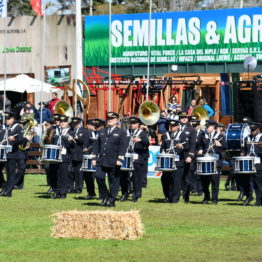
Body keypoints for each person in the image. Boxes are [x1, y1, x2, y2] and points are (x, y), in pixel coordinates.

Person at [92, 112, 127, 207]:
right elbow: (96, 145)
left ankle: (111, 200)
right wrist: (94, 157)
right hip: (102, 160)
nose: (109, 120)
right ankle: (105, 196)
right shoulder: (102, 131)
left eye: (112, 118)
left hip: (113, 160)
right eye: (108, 118)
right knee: (99, 176)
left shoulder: (121, 132)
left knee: (114, 182)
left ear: (116, 120)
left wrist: (120, 159)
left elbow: (123, 147)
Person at [160, 119, 190, 203]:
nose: (171, 128)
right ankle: (167, 196)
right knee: (165, 179)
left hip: (178, 161)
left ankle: (174, 198)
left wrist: (182, 146)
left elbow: (187, 146)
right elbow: (163, 146)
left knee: (176, 180)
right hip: (167, 161)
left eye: (173, 126)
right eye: (170, 126)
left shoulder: (182, 135)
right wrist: (162, 151)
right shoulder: (166, 135)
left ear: (177, 126)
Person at [200, 120, 227, 205]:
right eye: (206, 127)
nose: (206, 128)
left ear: (213, 127)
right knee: (204, 181)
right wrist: (200, 149)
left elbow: (226, 147)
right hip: (206, 161)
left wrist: (220, 145)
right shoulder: (204, 135)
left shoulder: (220, 136)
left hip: (216, 161)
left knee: (215, 181)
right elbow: (200, 144)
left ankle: (215, 199)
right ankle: (207, 196)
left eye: (208, 127)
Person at [0, 112, 27, 197]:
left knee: (10, 172)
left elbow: (21, 139)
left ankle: (8, 191)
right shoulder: (2, 126)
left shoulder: (17, 127)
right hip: (1, 152)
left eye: (8, 119)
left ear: (12, 119)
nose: (6, 120)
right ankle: (4, 186)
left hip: (12, 153)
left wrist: (14, 139)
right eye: (5, 119)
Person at [48, 114, 73, 199]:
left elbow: (72, 145)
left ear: (67, 123)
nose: (62, 123)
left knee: (63, 175)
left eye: (64, 122)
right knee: (55, 174)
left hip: (64, 156)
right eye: (61, 122)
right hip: (55, 155)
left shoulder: (70, 131)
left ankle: (63, 193)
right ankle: (57, 191)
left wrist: (69, 140)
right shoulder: (55, 130)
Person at [128, 116, 149, 202]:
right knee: (126, 176)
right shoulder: (127, 132)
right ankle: (126, 192)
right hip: (128, 156)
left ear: (137, 124)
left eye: (134, 123)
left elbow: (147, 143)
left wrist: (140, 140)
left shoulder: (142, 133)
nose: (132, 125)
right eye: (131, 123)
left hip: (138, 156)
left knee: (137, 177)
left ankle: (136, 193)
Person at [241, 122, 262, 206]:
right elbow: (244, 149)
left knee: (258, 183)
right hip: (248, 163)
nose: (252, 131)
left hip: (258, 163)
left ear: (258, 129)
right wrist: (242, 153)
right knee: (246, 181)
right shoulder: (247, 138)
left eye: (254, 130)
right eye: (251, 130)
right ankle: (249, 196)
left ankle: (259, 201)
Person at [178, 112, 196, 203]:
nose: (184, 119)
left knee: (188, 178)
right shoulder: (176, 128)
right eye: (182, 117)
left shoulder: (191, 129)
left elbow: (193, 144)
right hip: (178, 156)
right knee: (179, 176)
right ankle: (178, 194)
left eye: (185, 117)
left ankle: (187, 196)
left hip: (187, 155)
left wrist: (190, 155)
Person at [68, 117, 88, 194]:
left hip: (79, 154)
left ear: (79, 124)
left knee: (78, 173)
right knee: (70, 171)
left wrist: (77, 138)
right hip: (71, 154)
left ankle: (78, 188)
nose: (74, 125)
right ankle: (70, 187)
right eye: (73, 124)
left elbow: (84, 142)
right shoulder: (70, 131)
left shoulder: (84, 131)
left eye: (76, 124)